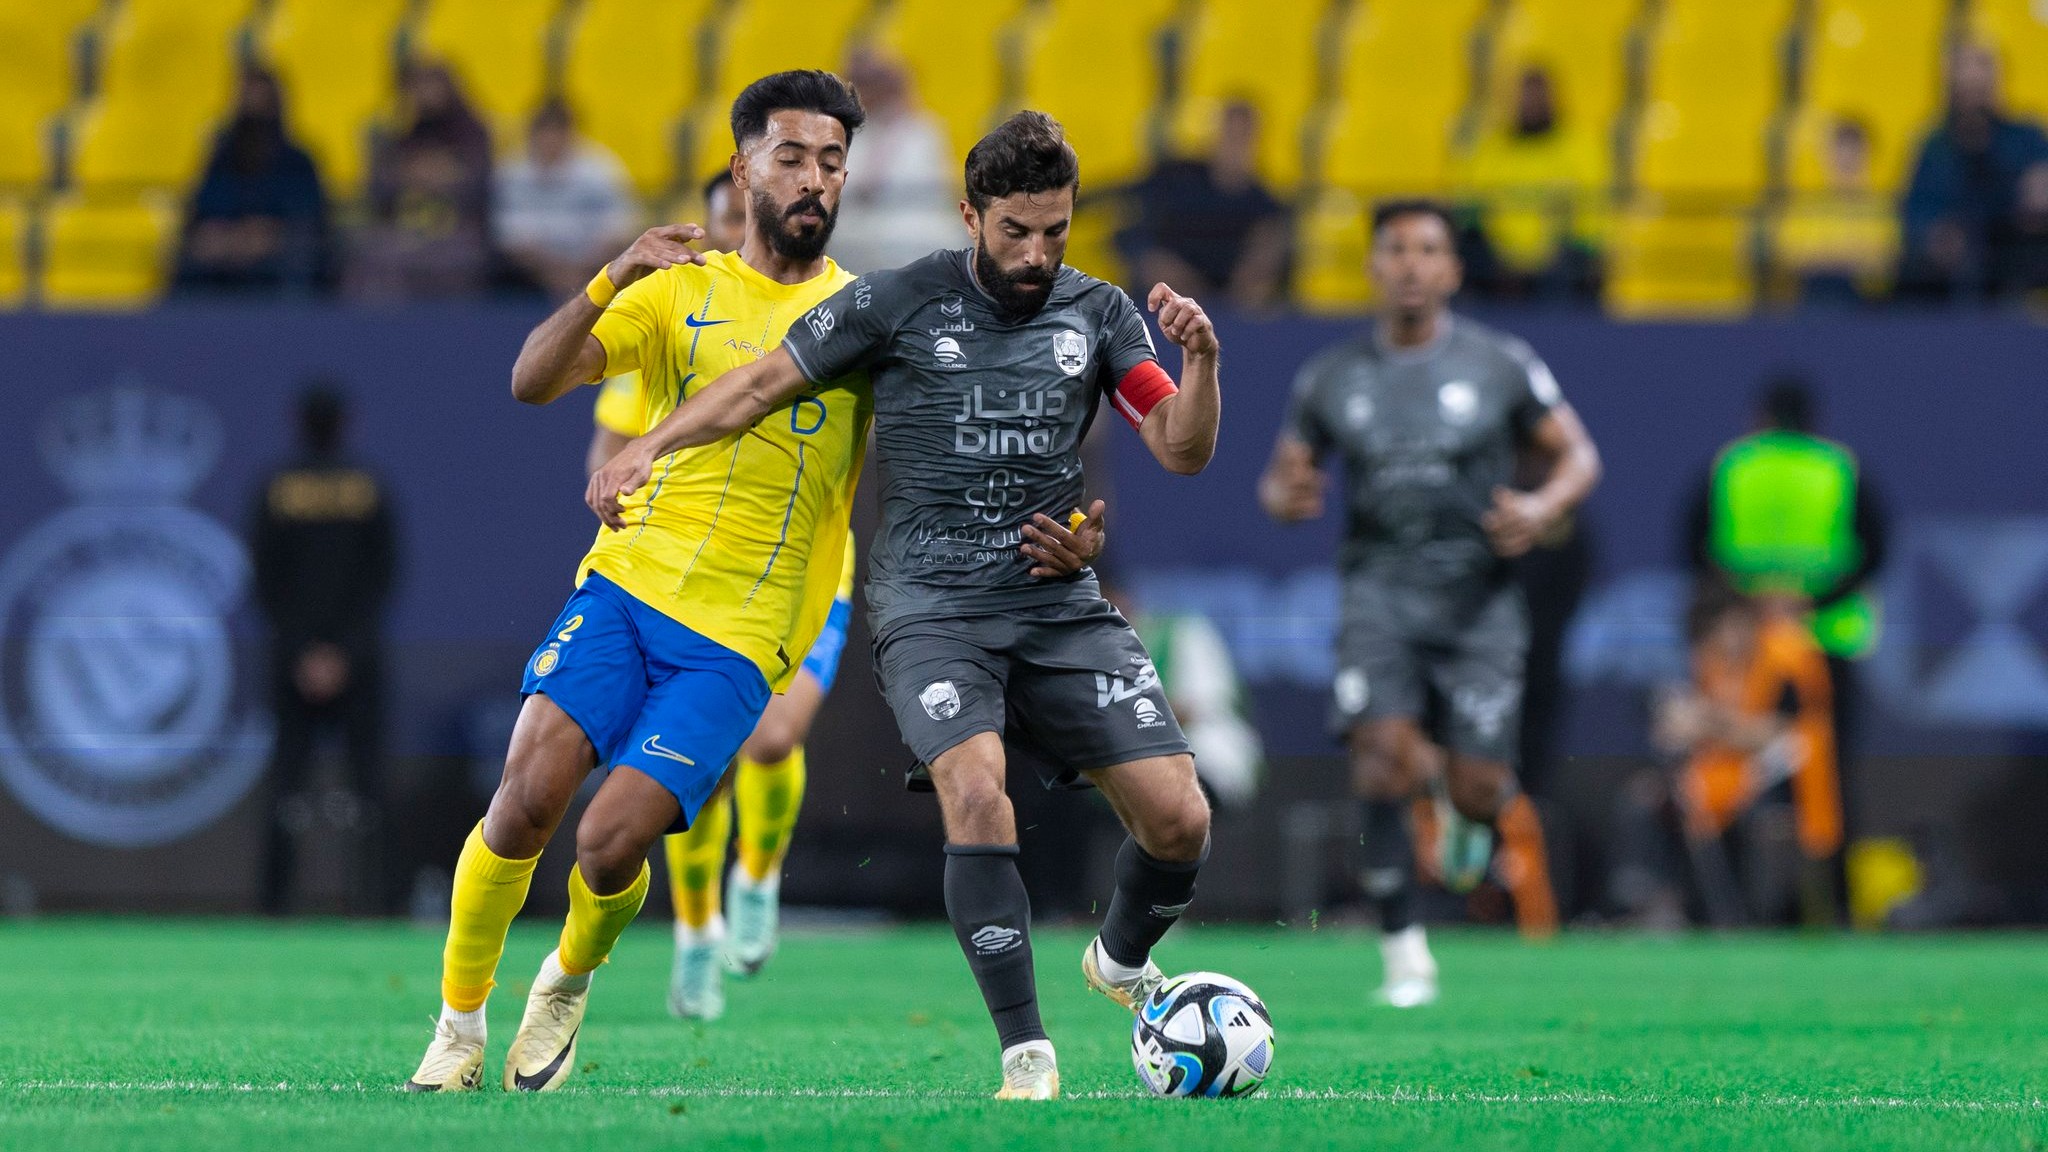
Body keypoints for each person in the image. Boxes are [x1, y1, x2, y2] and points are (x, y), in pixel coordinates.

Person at [588, 110, 1224, 1100]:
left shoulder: (1097, 314)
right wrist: (649, 445)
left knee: (1181, 820)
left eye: (1054, 230)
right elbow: (758, 384)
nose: (1034, 252)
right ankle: (1025, 1052)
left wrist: (1205, 367)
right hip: (932, 611)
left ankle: (1117, 962)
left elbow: (1180, 449)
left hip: (1057, 607)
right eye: (1015, 230)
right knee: (975, 789)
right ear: (969, 215)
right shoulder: (894, 303)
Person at [402, 70, 896, 1094]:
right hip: (627, 586)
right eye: (793, 157)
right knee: (525, 799)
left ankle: (569, 981)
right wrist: (608, 274)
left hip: (741, 632)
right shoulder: (677, 289)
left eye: (832, 162)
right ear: (742, 168)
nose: (814, 180)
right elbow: (532, 379)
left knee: (607, 838)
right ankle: (456, 1028)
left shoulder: (862, 318)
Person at [1258, 199, 1600, 1008]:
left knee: (1483, 787)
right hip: (1379, 591)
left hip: (1480, 599)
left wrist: (1544, 506)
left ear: (1450, 269)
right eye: (1396, 250)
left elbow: (1578, 454)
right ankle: (1403, 951)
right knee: (1377, 759)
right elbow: (1280, 477)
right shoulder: (1332, 376)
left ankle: (1464, 801)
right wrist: (1288, 493)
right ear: (1374, 267)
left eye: (1428, 249)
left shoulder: (1499, 363)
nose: (1411, 264)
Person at [1684, 376, 1885, 919]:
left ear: (1760, 415)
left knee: (1730, 762)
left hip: (1745, 645)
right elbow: (1875, 550)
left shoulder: (1733, 466)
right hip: (1824, 642)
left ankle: (1722, 909)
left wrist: (1751, 603)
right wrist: (1807, 601)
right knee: (1827, 775)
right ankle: (1835, 910)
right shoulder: (1837, 468)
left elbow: (1694, 546)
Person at [1614, 580, 1838, 927]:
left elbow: (1783, 732)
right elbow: (1674, 726)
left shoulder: (1784, 660)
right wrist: (1683, 726)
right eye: (1719, 630)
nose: (1729, 638)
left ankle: (1761, 919)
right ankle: (1656, 905)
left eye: (1736, 625)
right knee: (1644, 797)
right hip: (1709, 777)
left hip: (1769, 779)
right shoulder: (1708, 663)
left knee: (1759, 816)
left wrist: (1714, 724)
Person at [250, 385, 396, 915]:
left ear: (298, 420)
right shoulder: (368, 488)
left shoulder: (275, 488)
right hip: (358, 663)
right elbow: (381, 578)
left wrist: (302, 652)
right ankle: (380, 902)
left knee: (286, 784)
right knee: (369, 786)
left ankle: (273, 904)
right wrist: (345, 652)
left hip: (292, 663)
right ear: (344, 421)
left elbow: (265, 580)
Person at [1899, 42, 2048, 300]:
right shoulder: (1933, 147)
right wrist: (1935, 235)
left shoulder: (2026, 137)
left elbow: (2037, 191)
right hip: (1949, 272)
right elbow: (1914, 209)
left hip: (2015, 258)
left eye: (1981, 85)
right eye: (1966, 86)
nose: (1974, 94)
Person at [1118, 100, 1290, 311]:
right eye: (1229, 135)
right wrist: (1154, 261)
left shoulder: (1266, 207)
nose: (1235, 146)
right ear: (1215, 136)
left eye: (1243, 137)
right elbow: (1126, 225)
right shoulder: (1175, 179)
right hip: (1159, 304)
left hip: (1228, 311)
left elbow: (1262, 267)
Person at [174, 68, 330, 295]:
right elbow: (204, 210)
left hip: (280, 253)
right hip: (224, 250)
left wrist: (271, 234)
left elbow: (309, 217)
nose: (256, 121)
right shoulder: (221, 158)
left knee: (299, 253)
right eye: (248, 111)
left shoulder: (298, 162)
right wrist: (230, 237)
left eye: (263, 109)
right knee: (190, 254)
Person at [348, 61, 495, 300]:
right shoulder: (397, 134)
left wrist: (444, 178)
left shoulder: (473, 134)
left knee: (459, 258)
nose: (425, 94)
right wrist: (406, 175)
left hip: (457, 230)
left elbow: (481, 189)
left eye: (432, 85)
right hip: (404, 229)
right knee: (371, 254)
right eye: (417, 87)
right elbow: (377, 192)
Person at [826, 48, 959, 273]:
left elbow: (932, 189)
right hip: (856, 225)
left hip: (915, 223)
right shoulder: (845, 132)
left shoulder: (924, 130)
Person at [495, 100, 640, 299]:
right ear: (532, 135)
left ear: (570, 134)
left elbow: (621, 228)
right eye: (544, 133)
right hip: (530, 278)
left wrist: (582, 270)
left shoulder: (601, 169)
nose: (550, 141)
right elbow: (511, 237)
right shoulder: (513, 174)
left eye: (557, 132)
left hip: (596, 272)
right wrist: (555, 272)